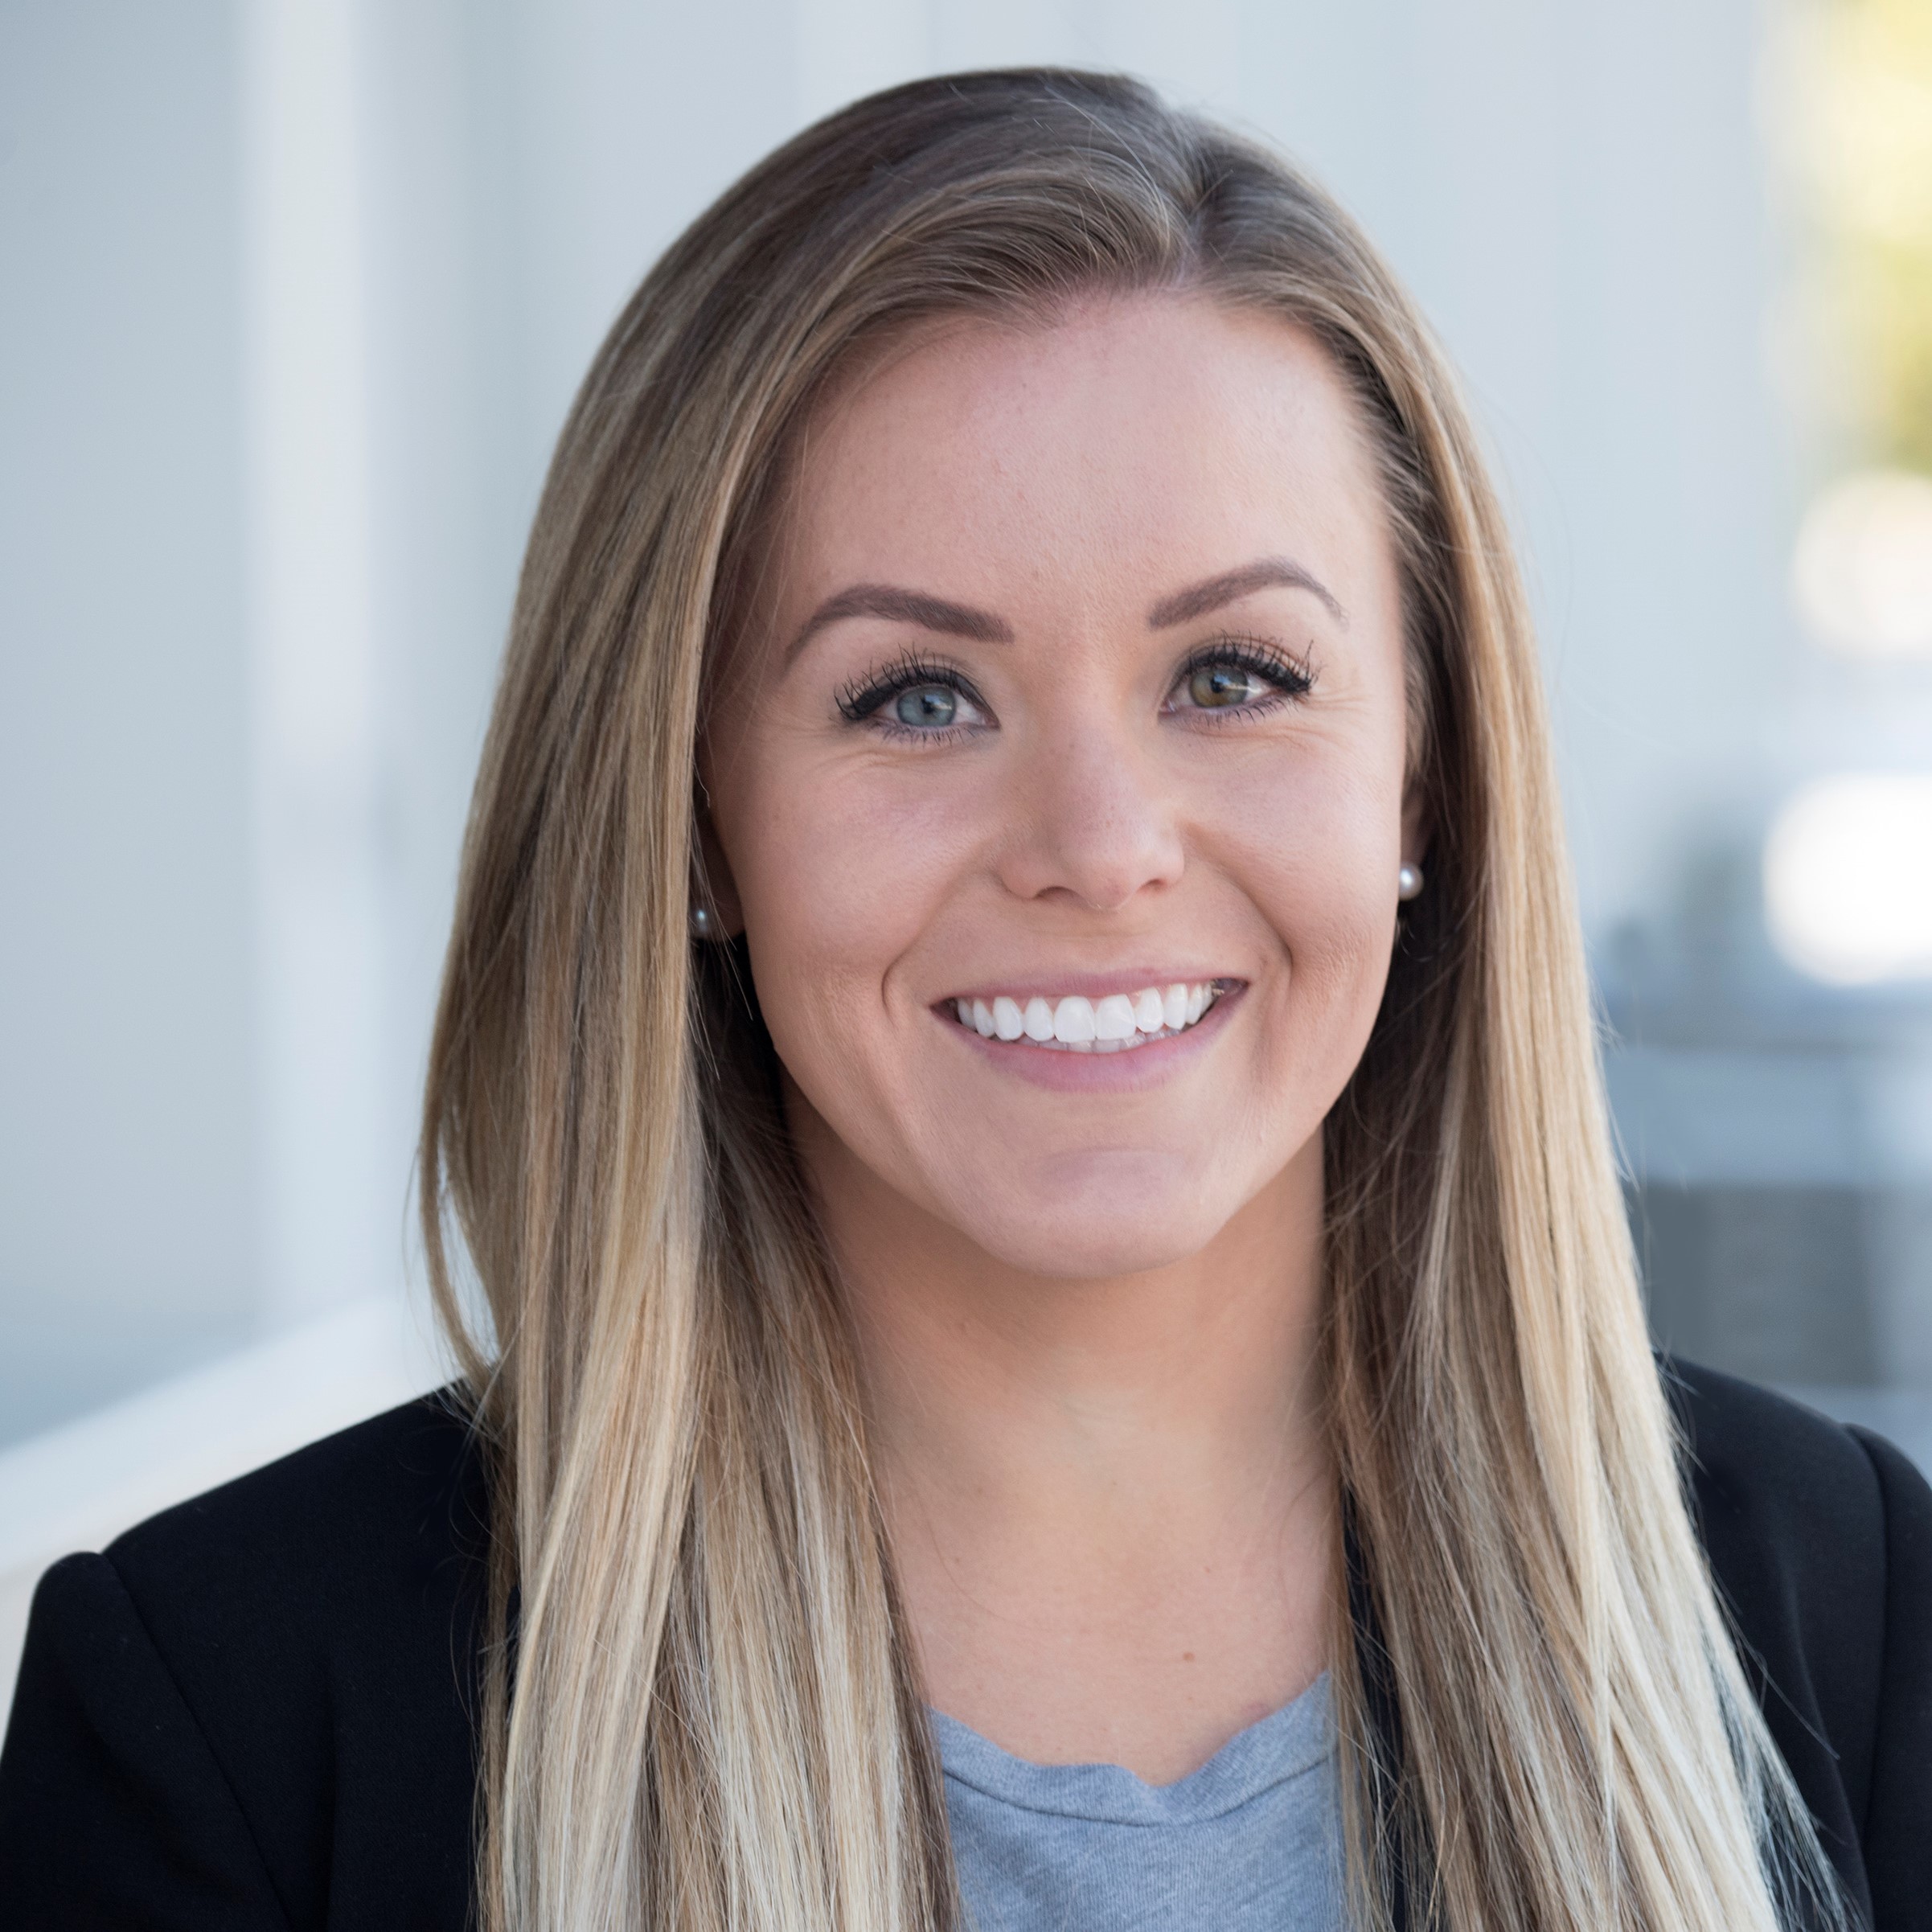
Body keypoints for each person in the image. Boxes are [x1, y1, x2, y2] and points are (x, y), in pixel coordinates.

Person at [1, 67, 1926, 1932]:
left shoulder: (1848, 1617)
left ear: (1422, 769)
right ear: (687, 818)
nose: (1097, 845)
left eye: (1235, 673)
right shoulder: (230, 1727)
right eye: (911, 695)